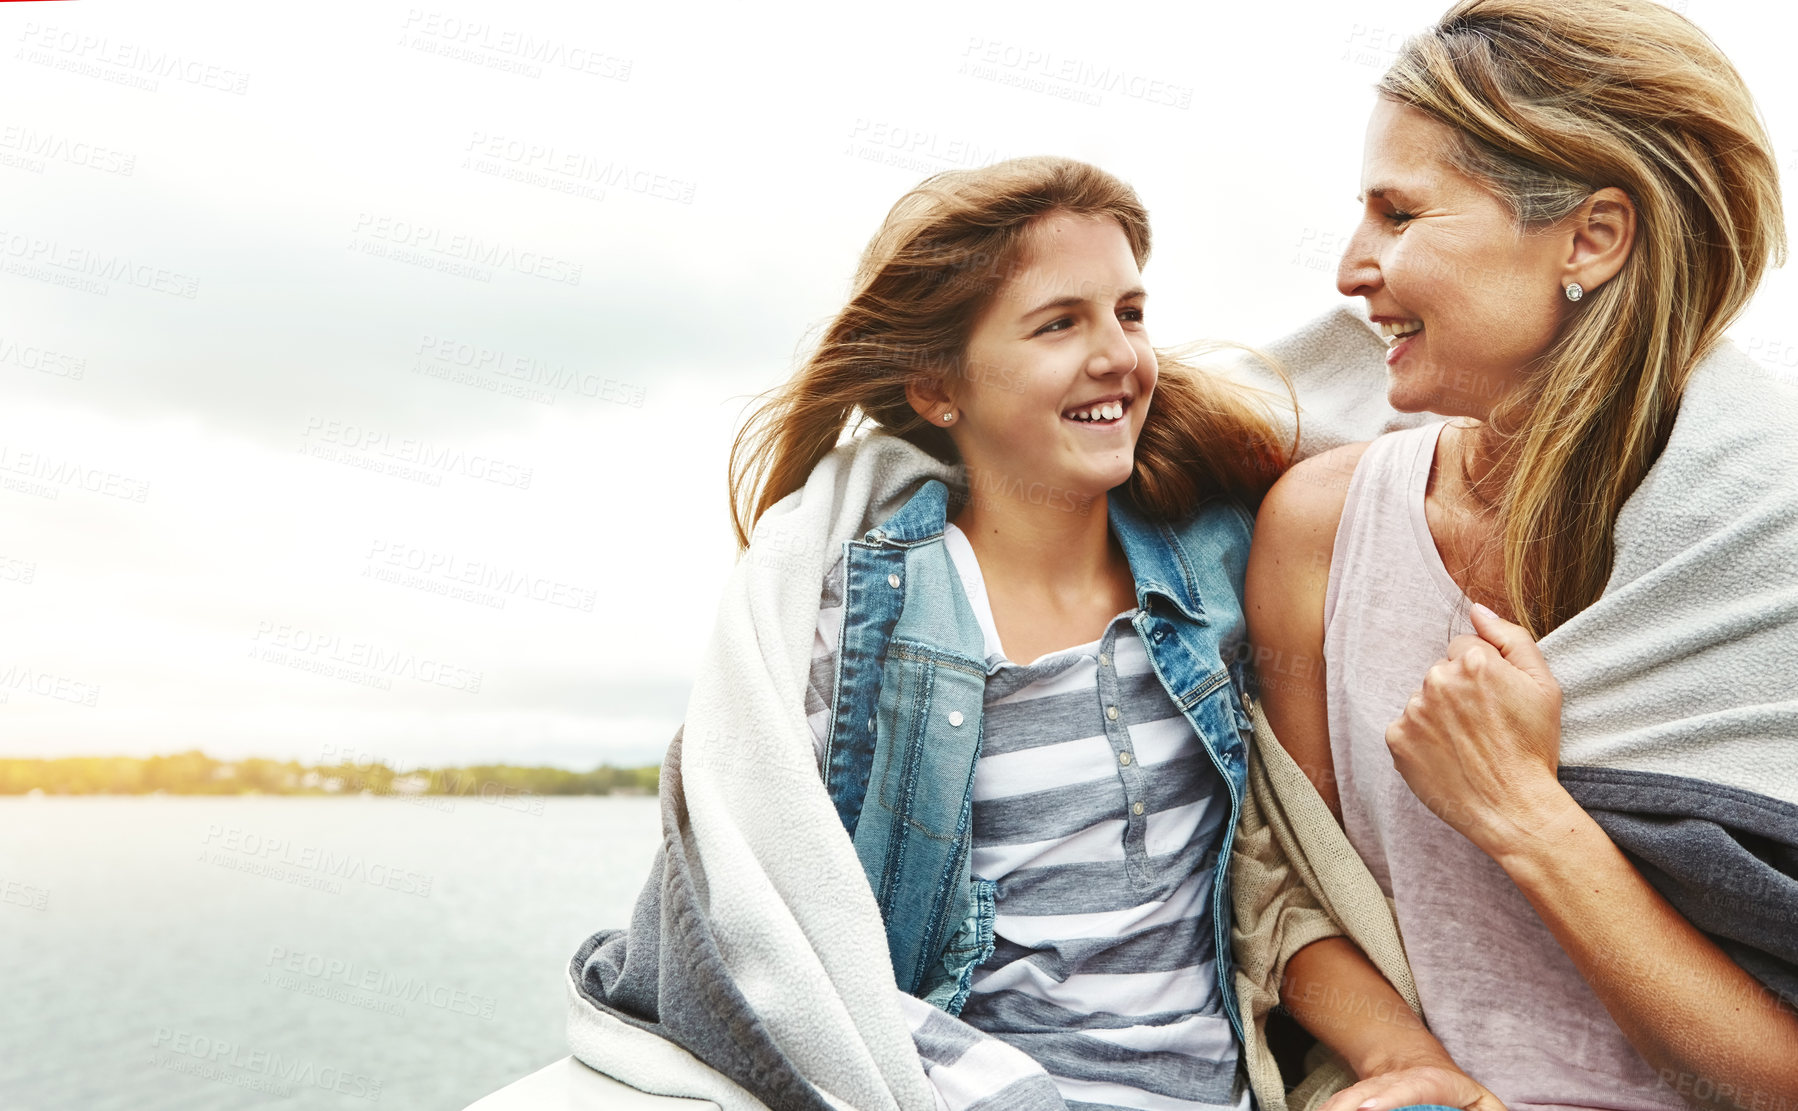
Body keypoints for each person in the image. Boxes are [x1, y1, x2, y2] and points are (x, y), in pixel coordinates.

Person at [568, 156, 1293, 1110]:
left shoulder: (1218, 563)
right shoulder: (870, 617)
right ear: (937, 389)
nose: (1120, 355)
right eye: (1059, 323)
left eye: (1130, 311)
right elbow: (785, 925)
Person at [1245, 1, 1795, 1109]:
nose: (1353, 267)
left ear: (1590, 237)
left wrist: (1521, 811)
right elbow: (1288, 885)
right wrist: (1415, 1067)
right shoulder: (1317, 528)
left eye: (1399, 213)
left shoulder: (1762, 558)